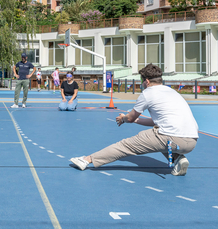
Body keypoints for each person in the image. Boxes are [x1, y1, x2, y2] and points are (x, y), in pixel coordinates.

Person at [70, 64, 198, 176]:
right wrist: (137, 121)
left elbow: (130, 118)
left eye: (142, 82)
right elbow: (156, 122)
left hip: (170, 138)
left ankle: (86, 160)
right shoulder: (172, 92)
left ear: (146, 81)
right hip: (191, 141)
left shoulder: (148, 92)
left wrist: (124, 118)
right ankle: (178, 159)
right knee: (159, 134)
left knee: (124, 146)